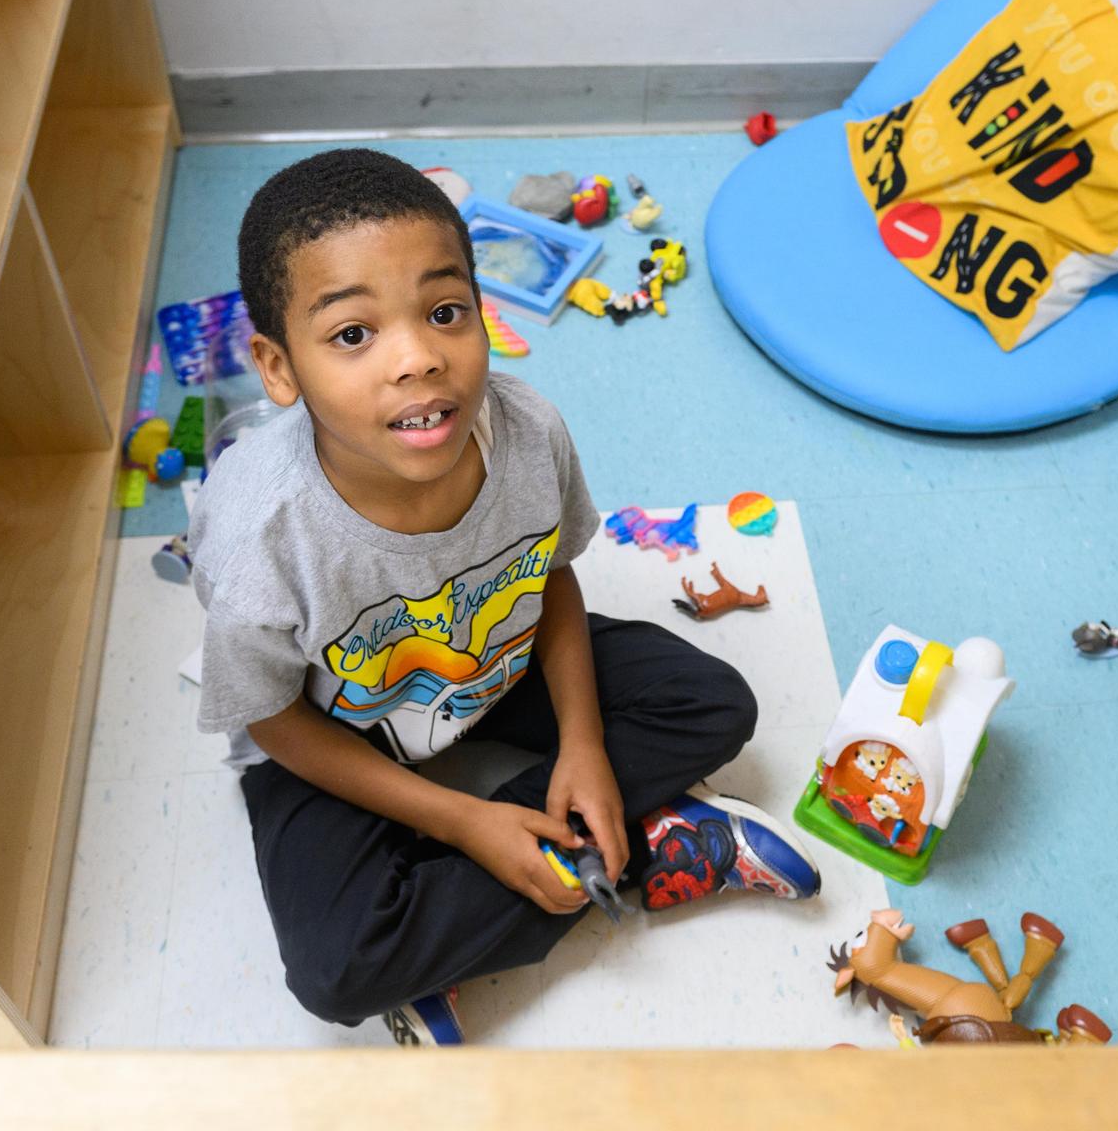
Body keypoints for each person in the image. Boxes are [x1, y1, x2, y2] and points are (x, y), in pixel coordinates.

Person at [189, 148, 820, 1046]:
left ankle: (455, 927)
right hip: (338, 724)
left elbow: (547, 571)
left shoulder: (527, 432)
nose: (417, 358)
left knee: (713, 702)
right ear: (278, 367)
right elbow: (274, 721)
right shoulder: (260, 535)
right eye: (352, 335)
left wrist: (587, 750)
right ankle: (655, 849)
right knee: (336, 973)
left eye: (445, 312)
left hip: (495, 658)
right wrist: (466, 820)